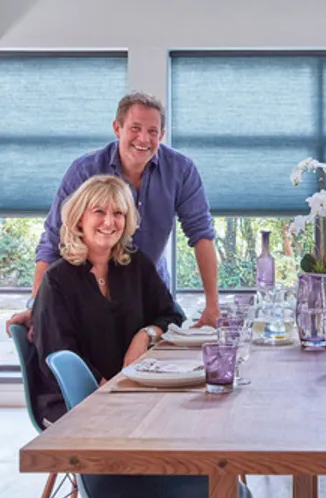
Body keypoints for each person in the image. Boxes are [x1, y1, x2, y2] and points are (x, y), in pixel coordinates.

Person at [32, 174, 185, 498]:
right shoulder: (57, 280)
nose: (109, 221)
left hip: (133, 389)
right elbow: (58, 354)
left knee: (191, 412)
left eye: (118, 212)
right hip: (74, 399)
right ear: (79, 219)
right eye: (99, 211)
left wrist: (145, 333)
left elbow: (172, 314)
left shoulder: (135, 266)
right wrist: (108, 388)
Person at [6, 91, 220, 334]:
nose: (144, 138)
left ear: (161, 135)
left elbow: (201, 234)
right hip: (90, 298)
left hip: (149, 297)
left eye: (152, 131)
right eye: (135, 128)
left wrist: (212, 305)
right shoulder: (85, 170)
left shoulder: (180, 170)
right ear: (117, 128)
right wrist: (37, 306)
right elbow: (53, 240)